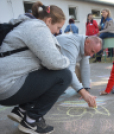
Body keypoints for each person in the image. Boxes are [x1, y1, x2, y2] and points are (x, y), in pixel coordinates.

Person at [0, 1, 72, 134]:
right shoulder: (37, 28)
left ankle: (21, 110)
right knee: (64, 76)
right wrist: (67, 61)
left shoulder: (26, 24)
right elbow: (54, 62)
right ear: (49, 20)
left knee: (45, 70)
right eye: (58, 27)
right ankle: (31, 121)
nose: (58, 32)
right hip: (6, 87)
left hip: (5, 84)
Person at [57, 34, 102, 105]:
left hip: (58, 67)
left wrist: (86, 89)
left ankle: (59, 86)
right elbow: (69, 71)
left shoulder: (85, 46)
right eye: (92, 51)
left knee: (78, 71)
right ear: (87, 42)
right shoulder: (71, 44)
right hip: (47, 69)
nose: (91, 55)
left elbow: (85, 68)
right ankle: (55, 87)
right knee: (69, 73)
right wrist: (82, 92)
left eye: (94, 53)